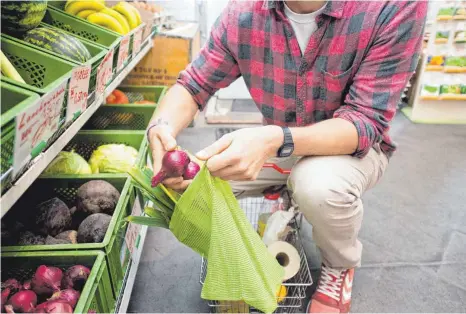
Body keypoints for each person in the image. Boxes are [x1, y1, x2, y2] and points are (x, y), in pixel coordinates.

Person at [147, 1, 427, 312]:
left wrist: (274, 140)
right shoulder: (243, 12)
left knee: (318, 187)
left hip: (351, 147)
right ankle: (257, 232)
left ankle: (338, 265)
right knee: (190, 180)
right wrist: (161, 128)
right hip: (276, 141)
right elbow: (193, 84)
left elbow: (366, 121)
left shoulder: (392, 6)